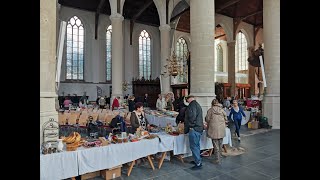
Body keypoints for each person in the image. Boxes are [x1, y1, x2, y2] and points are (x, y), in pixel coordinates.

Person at [184, 95, 204, 170]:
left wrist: (191, 126)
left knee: (194, 146)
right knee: (197, 145)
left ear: (190, 99)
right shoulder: (196, 104)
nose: (187, 101)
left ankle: (198, 163)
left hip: (194, 128)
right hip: (198, 128)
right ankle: (197, 160)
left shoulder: (192, 105)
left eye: (187, 99)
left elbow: (192, 117)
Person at [205, 99, 227, 164]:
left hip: (213, 129)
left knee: (215, 144)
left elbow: (207, 119)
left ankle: (217, 159)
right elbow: (226, 118)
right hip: (221, 129)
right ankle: (220, 156)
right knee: (220, 143)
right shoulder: (222, 110)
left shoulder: (210, 110)